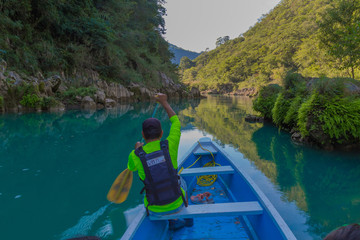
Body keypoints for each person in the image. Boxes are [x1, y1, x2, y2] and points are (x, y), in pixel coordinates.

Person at [127, 93, 192, 230]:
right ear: (162, 133)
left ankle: (169, 222)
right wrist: (164, 102)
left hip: (154, 209)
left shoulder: (135, 154)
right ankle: (188, 219)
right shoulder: (170, 145)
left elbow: (131, 168)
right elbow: (176, 122)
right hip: (177, 204)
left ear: (143, 135)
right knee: (183, 182)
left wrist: (138, 149)